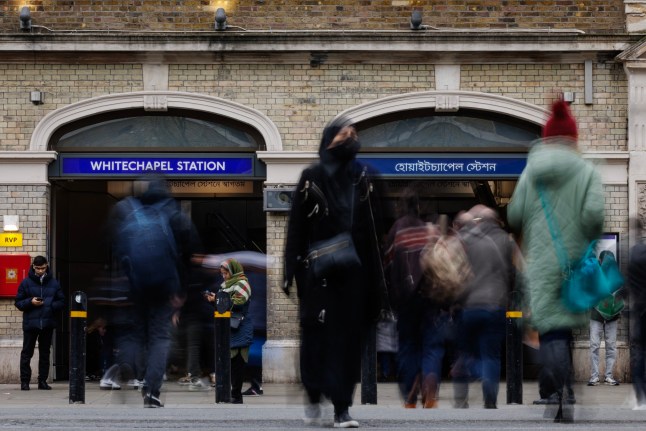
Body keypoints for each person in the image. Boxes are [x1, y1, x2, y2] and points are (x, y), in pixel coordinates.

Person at [507, 99, 605, 422]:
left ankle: (556, 386)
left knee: (549, 330)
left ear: (547, 138)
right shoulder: (587, 171)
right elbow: (593, 218)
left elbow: (515, 214)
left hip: (541, 267)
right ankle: (565, 388)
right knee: (565, 332)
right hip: (574, 265)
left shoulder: (531, 170)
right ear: (573, 138)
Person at [283, 117, 383, 428]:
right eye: (343, 134)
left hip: (356, 276)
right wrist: (291, 269)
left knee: (349, 343)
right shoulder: (311, 176)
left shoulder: (366, 176)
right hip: (319, 276)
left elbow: (379, 230)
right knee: (317, 338)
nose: (350, 138)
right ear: (329, 141)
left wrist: (381, 282)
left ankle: (342, 407)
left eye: (354, 134)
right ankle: (314, 395)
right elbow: (297, 226)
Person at [109, 176, 199, 408]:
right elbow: (189, 253)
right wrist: (182, 289)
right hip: (165, 286)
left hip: (135, 285)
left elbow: (112, 248)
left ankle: (128, 364)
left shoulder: (126, 210)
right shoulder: (173, 212)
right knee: (160, 337)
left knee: (134, 333)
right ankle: (152, 392)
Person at [452, 205, 514, 409]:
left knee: (464, 352)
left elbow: (455, 274)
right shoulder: (504, 240)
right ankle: (490, 399)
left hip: (468, 305)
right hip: (495, 305)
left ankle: (461, 399)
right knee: (491, 355)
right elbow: (510, 273)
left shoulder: (464, 240)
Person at [204, 257, 253, 404]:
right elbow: (223, 306)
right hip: (227, 328)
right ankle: (229, 393)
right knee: (228, 361)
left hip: (240, 327)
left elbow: (237, 303)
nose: (224, 276)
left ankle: (236, 395)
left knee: (238, 362)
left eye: (226, 273)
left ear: (233, 271)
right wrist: (215, 300)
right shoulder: (225, 285)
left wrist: (218, 299)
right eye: (222, 273)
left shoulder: (242, 284)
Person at [14, 255, 65, 391]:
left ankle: (42, 381)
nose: (40, 271)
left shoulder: (54, 283)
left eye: (43, 268)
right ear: (33, 267)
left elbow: (62, 301)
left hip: (47, 323)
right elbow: (18, 303)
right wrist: (30, 302)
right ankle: (25, 382)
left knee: (44, 354)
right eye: (37, 268)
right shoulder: (25, 283)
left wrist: (49, 306)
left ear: (47, 266)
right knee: (27, 353)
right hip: (31, 324)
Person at [587, 250, 623, 387]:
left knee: (611, 346)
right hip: (596, 314)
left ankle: (609, 376)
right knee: (594, 345)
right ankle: (594, 376)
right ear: (601, 261)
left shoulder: (616, 277)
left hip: (612, 315)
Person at [628, 218, 646, 410]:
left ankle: (641, 397)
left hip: (639, 309)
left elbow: (627, 284)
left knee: (639, 353)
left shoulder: (633, 254)